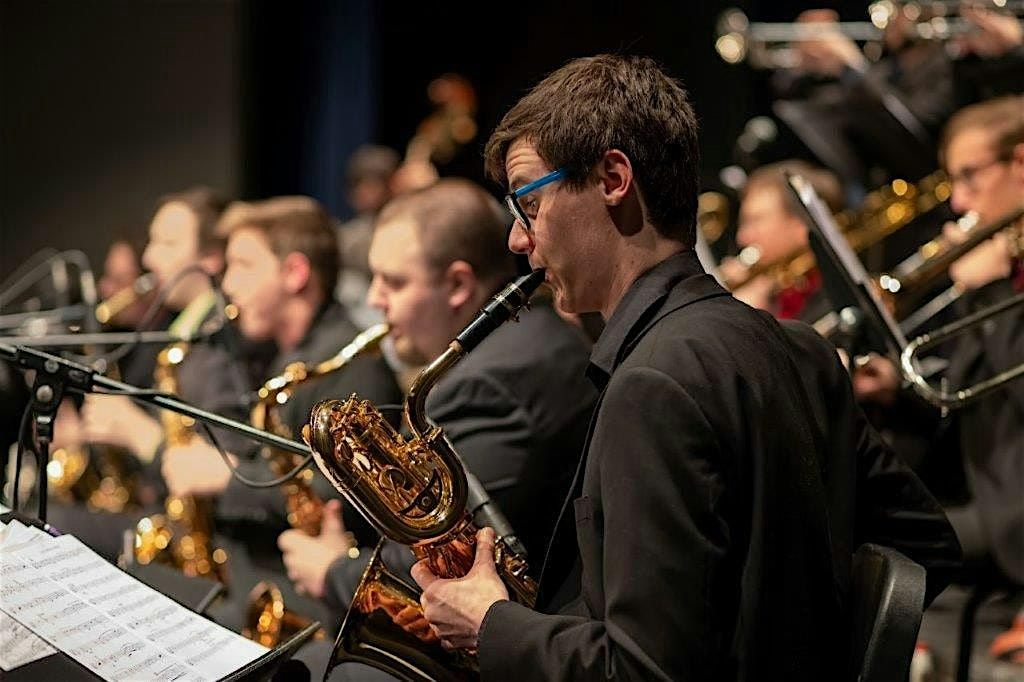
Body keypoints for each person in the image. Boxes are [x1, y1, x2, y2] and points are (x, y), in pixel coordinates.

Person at [407, 54, 960, 680]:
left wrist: (493, 626)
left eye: (528, 202)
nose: (516, 239)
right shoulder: (800, 347)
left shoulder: (652, 384)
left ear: (614, 177)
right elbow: (926, 549)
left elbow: (644, 672)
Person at [278, 179, 597, 620]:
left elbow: (440, 562)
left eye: (393, 282)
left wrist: (332, 569)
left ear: (456, 284)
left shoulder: (483, 386)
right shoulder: (537, 336)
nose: (374, 299)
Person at [161, 195, 403, 630]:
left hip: (311, 601)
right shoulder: (285, 357)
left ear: (295, 273)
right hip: (258, 571)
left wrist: (226, 476)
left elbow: (339, 499)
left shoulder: (351, 369)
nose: (228, 286)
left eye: (243, 265)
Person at [718, 159, 842, 322]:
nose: (742, 237)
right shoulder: (774, 290)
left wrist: (750, 320)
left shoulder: (831, 304)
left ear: (801, 225)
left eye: (755, 220)